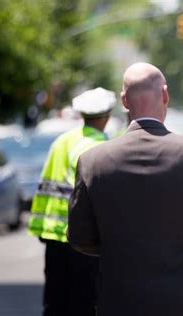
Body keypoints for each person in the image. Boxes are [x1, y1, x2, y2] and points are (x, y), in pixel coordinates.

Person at [67, 62, 183, 316]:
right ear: (165, 94)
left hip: (122, 301)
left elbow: (79, 236)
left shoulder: (93, 161)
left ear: (124, 101)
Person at [29, 87, 116, 316]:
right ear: (106, 117)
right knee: (83, 303)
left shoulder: (62, 141)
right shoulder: (101, 146)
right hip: (81, 239)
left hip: (52, 235)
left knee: (55, 302)